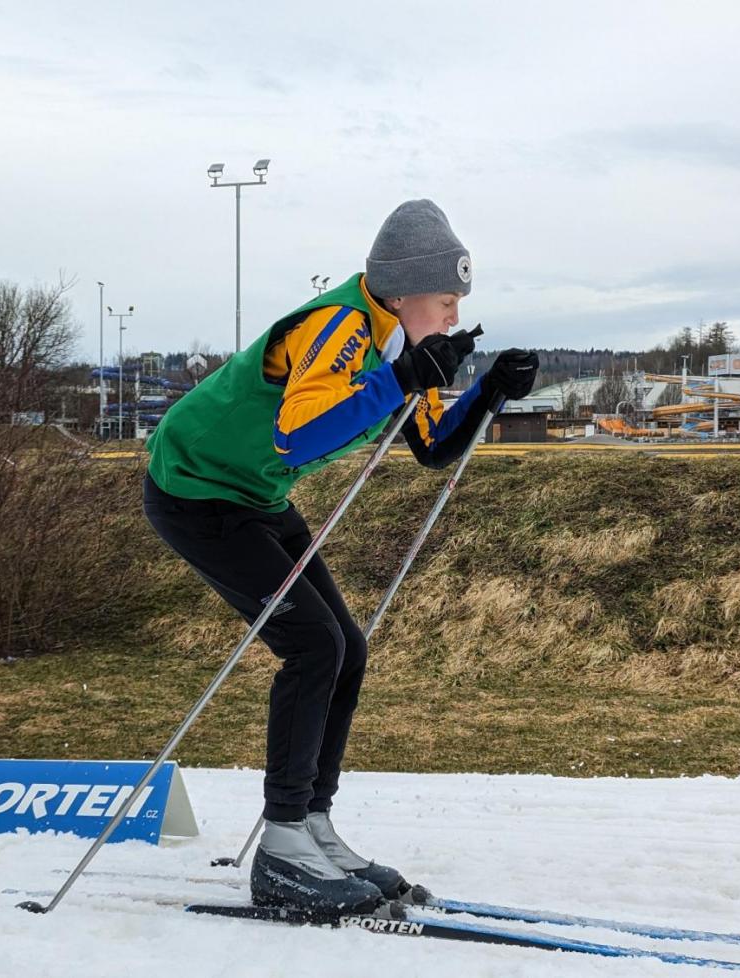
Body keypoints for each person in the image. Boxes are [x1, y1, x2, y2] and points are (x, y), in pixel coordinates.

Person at [144, 200, 538, 912]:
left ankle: (312, 825)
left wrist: (488, 392)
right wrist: (403, 377)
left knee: (346, 649)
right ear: (402, 292)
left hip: (253, 495)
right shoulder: (343, 327)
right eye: (445, 302)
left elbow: (430, 447)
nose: (452, 317)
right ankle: (283, 845)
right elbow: (300, 433)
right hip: (194, 491)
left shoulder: (393, 345)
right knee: (313, 645)